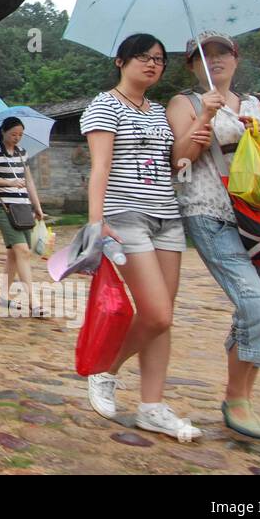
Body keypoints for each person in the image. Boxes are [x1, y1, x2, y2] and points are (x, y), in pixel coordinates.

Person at [81, 33, 201, 441]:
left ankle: (152, 407)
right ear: (120, 61)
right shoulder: (104, 105)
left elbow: (174, 163)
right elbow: (100, 167)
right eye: (142, 57)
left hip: (167, 218)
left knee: (162, 321)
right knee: (156, 313)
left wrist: (202, 124)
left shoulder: (158, 112)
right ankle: (105, 368)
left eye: (159, 60)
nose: (151, 65)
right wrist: (97, 223)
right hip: (127, 216)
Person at [167, 31, 260, 442]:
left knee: (257, 308)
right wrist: (203, 120)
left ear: (236, 59)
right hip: (209, 212)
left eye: (222, 53)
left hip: (257, 219)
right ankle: (236, 402)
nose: (214, 61)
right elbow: (178, 163)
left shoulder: (252, 104)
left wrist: (259, 134)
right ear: (193, 66)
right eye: (204, 56)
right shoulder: (184, 103)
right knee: (258, 310)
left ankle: (243, 402)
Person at [0, 116, 46, 317]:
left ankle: (3, 295)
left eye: (20, 134)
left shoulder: (22, 154)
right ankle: (33, 302)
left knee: (13, 254)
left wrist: (37, 206)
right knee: (23, 251)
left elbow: (29, 181)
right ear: (3, 132)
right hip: (5, 207)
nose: (17, 138)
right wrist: (9, 183)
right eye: (13, 134)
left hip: (23, 208)